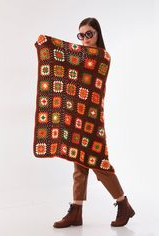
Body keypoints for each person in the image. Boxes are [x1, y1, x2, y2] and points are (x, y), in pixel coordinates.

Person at [53, 17, 135, 228]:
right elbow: (62, 65)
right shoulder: (78, 57)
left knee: (99, 164)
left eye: (89, 34)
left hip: (92, 121)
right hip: (77, 119)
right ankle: (76, 211)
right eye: (81, 35)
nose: (85, 39)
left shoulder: (102, 58)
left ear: (98, 34)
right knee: (79, 166)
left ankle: (123, 203)